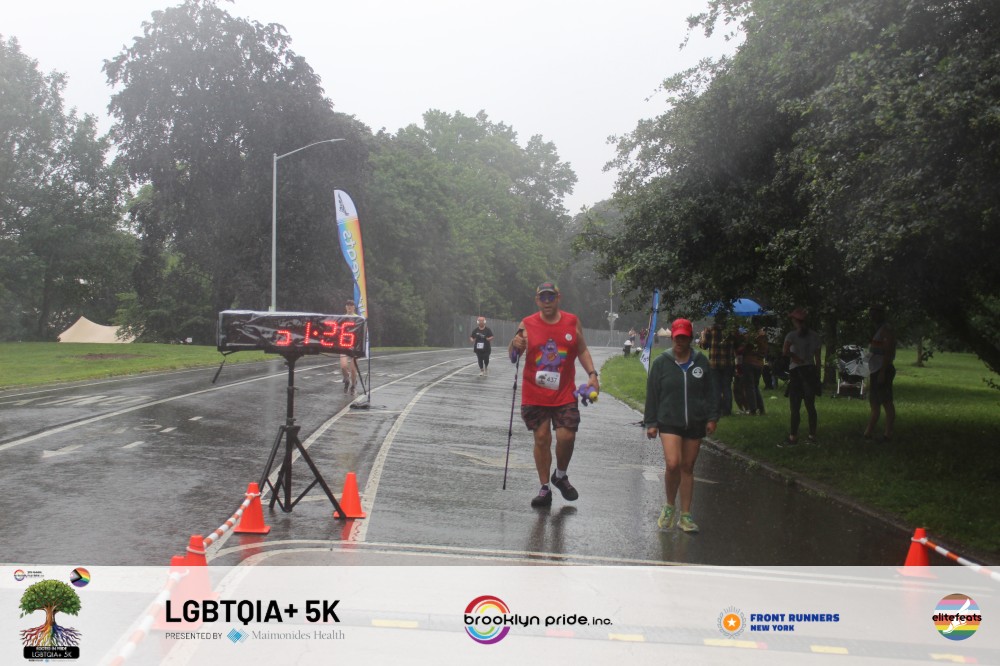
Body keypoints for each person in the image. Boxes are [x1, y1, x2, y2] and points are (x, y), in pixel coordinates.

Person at [508, 282, 600, 508]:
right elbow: (513, 356)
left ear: (559, 297)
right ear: (537, 300)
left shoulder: (572, 321)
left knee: (567, 436)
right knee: (541, 438)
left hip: (564, 393)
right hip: (534, 393)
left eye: (551, 297)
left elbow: (582, 349)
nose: (547, 301)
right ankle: (544, 488)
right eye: (543, 297)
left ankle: (560, 475)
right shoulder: (527, 323)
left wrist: (592, 374)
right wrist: (514, 343)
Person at [644, 318, 719, 533]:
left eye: (684, 338)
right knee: (673, 463)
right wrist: (651, 422)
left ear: (690, 339)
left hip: (695, 421)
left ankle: (685, 515)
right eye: (677, 337)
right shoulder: (662, 363)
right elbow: (653, 394)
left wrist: (712, 417)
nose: (679, 341)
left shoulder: (700, 362)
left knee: (687, 467)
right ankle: (669, 505)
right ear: (672, 338)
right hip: (669, 420)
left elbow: (711, 391)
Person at [780, 308, 822, 446]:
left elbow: (785, 351)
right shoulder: (815, 336)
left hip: (796, 371)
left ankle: (793, 436)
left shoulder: (791, 335)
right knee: (810, 406)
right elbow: (817, 358)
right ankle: (812, 435)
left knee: (795, 406)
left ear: (795, 321)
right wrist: (817, 374)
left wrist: (795, 357)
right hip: (810, 371)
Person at [863, 304, 896, 442]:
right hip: (875, 370)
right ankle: (868, 433)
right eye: (871, 314)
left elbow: (888, 352)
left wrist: (883, 371)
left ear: (881, 314)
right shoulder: (877, 330)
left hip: (883, 370)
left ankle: (887, 434)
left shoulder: (886, 330)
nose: (872, 317)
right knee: (874, 402)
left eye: (875, 314)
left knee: (886, 402)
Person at [699, 314, 736, 417]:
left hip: (714, 364)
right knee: (727, 387)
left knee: (716, 388)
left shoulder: (710, 330)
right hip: (728, 363)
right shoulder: (731, 331)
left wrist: (703, 336)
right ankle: (727, 410)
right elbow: (737, 345)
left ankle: (717, 409)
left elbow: (704, 346)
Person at [739, 323, 768, 415]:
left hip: (749, 362)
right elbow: (765, 351)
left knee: (749, 387)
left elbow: (742, 350)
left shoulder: (749, 338)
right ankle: (761, 409)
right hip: (759, 364)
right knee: (755, 386)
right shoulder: (763, 338)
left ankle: (753, 409)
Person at [339, 299, 360, 394]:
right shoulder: (342, 318)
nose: (349, 307)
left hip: (355, 346)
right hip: (344, 345)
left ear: (354, 307)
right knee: (343, 366)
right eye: (347, 305)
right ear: (345, 307)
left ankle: (353, 385)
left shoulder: (358, 318)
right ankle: (346, 379)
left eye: (351, 305)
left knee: (353, 369)